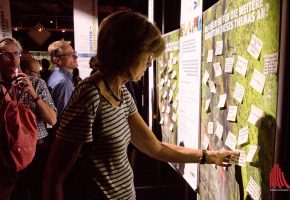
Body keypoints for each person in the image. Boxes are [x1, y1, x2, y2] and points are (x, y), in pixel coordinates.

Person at [43, 11, 240, 200]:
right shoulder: (89, 96)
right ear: (128, 52)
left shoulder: (121, 93)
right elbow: (54, 177)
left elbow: (156, 148)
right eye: (148, 55)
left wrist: (211, 156)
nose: (149, 63)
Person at [0, 37, 57, 200]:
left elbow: (52, 120)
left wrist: (34, 94)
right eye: (6, 55)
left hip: (36, 150)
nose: (13, 59)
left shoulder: (36, 83)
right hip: (5, 152)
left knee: (36, 192)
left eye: (16, 54)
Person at [47, 40, 78, 117]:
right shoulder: (64, 83)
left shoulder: (55, 75)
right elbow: (65, 117)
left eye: (73, 53)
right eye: (69, 54)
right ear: (57, 60)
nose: (75, 57)